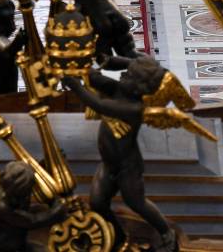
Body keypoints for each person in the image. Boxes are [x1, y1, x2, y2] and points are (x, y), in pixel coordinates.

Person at [60, 56, 177, 252]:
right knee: (97, 203)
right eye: (126, 71)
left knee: (137, 203)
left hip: (127, 169)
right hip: (108, 164)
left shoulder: (133, 108)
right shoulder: (120, 90)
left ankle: (166, 233)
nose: (123, 74)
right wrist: (79, 64)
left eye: (129, 75)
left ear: (139, 88)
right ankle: (116, 235)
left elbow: (100, 105)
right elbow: (95, 79)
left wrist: (76, 87)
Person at [0, 161, 68, 252]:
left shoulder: (16, 196)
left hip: (17, 244)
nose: (28, 195)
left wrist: (45, 167)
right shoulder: (3, 206)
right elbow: (32, 221)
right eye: (27, 190)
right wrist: (57, 210)